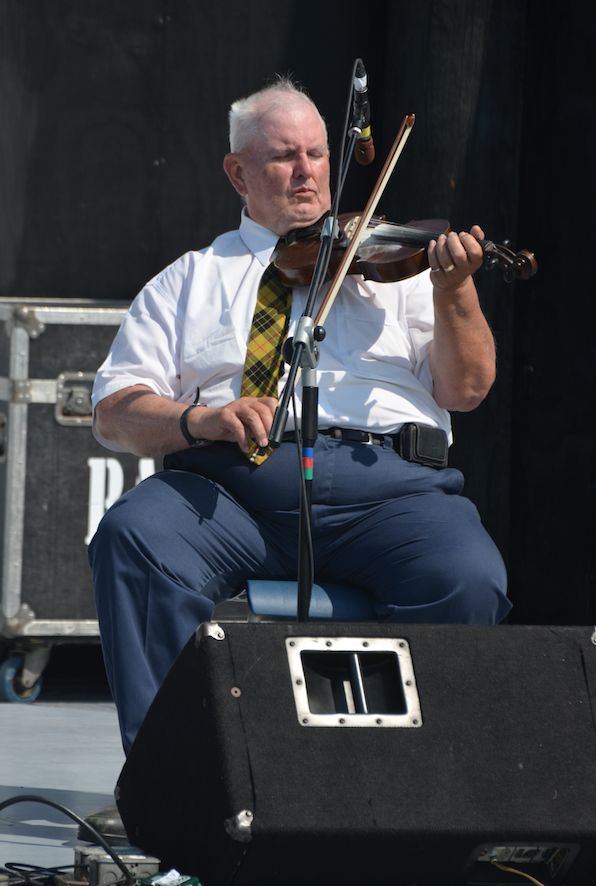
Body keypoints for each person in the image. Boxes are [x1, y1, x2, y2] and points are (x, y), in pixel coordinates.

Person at [88, 77, 510, 758]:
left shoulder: (393, 269)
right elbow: (115, 414)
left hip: (391, 492)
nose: (309, 172)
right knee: (136, 536)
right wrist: (202, 421)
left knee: (465, 575)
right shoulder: (190, 279)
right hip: (232, 494)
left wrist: (454, 288)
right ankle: (181, 790)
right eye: (285, 156)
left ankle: (417, 791)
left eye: (317, 154)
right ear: (238, 173)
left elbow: (467, 389)